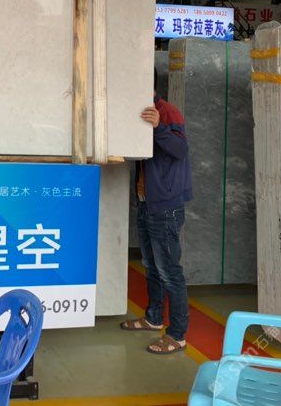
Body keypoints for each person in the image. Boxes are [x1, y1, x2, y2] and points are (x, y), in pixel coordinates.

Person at [120, 69, 192, 355]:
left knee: (169, 271)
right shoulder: (139, 112)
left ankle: (177, 334)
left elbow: (180, 150)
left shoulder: (167, 112)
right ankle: (153, 318)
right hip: (145, 201)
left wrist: (160, 126)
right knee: (151, 266)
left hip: (165, 206)